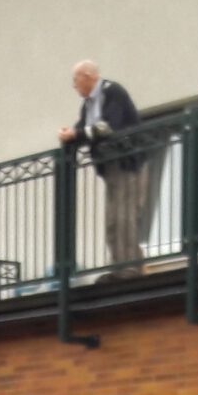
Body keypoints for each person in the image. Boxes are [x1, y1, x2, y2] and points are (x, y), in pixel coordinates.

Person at [58, 60, 147, 272]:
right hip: (110, 166)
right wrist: (69, 136)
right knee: (112, 221)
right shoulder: (88, 104)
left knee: (124, 217)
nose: (74, 86)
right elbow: (84, 129)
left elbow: (108, 126)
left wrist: (76, 134)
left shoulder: (112, 92)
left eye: (75, 80)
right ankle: (119, 267)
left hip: (128, 162)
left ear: (88, 77)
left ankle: (131, 268)